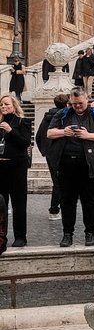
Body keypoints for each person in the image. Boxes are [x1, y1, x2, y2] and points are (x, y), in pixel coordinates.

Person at [46, 85, 94, 248]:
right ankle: (67, 233)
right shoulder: (63, 114)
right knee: (67, 201)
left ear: (87, 100)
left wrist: (87, 135)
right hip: (66, 164)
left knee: (89, 200)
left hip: (89, 165)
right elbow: (49, 133)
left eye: (80, 103)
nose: (77, 106)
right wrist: (64, 132)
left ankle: (90, 232)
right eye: (74, 103)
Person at [0, 93, 31, 247]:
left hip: (17, 166)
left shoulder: (23, 121)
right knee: (1, 203)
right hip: (0, 167)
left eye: (7, 104)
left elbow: (25, 142)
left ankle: (20, 236)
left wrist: (11, 130)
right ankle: (1, 236)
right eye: (1, 105)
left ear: (14, 105)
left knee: (19, 202)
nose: (4, 107)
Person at [36, 91, 69, 221]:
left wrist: (45, 151)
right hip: (62, 152)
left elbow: (39, 136)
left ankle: (56, 208)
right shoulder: (64, 117)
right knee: (61, 182)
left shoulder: (47, 117)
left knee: (57, 181)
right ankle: (55, 209)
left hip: (50, 153)